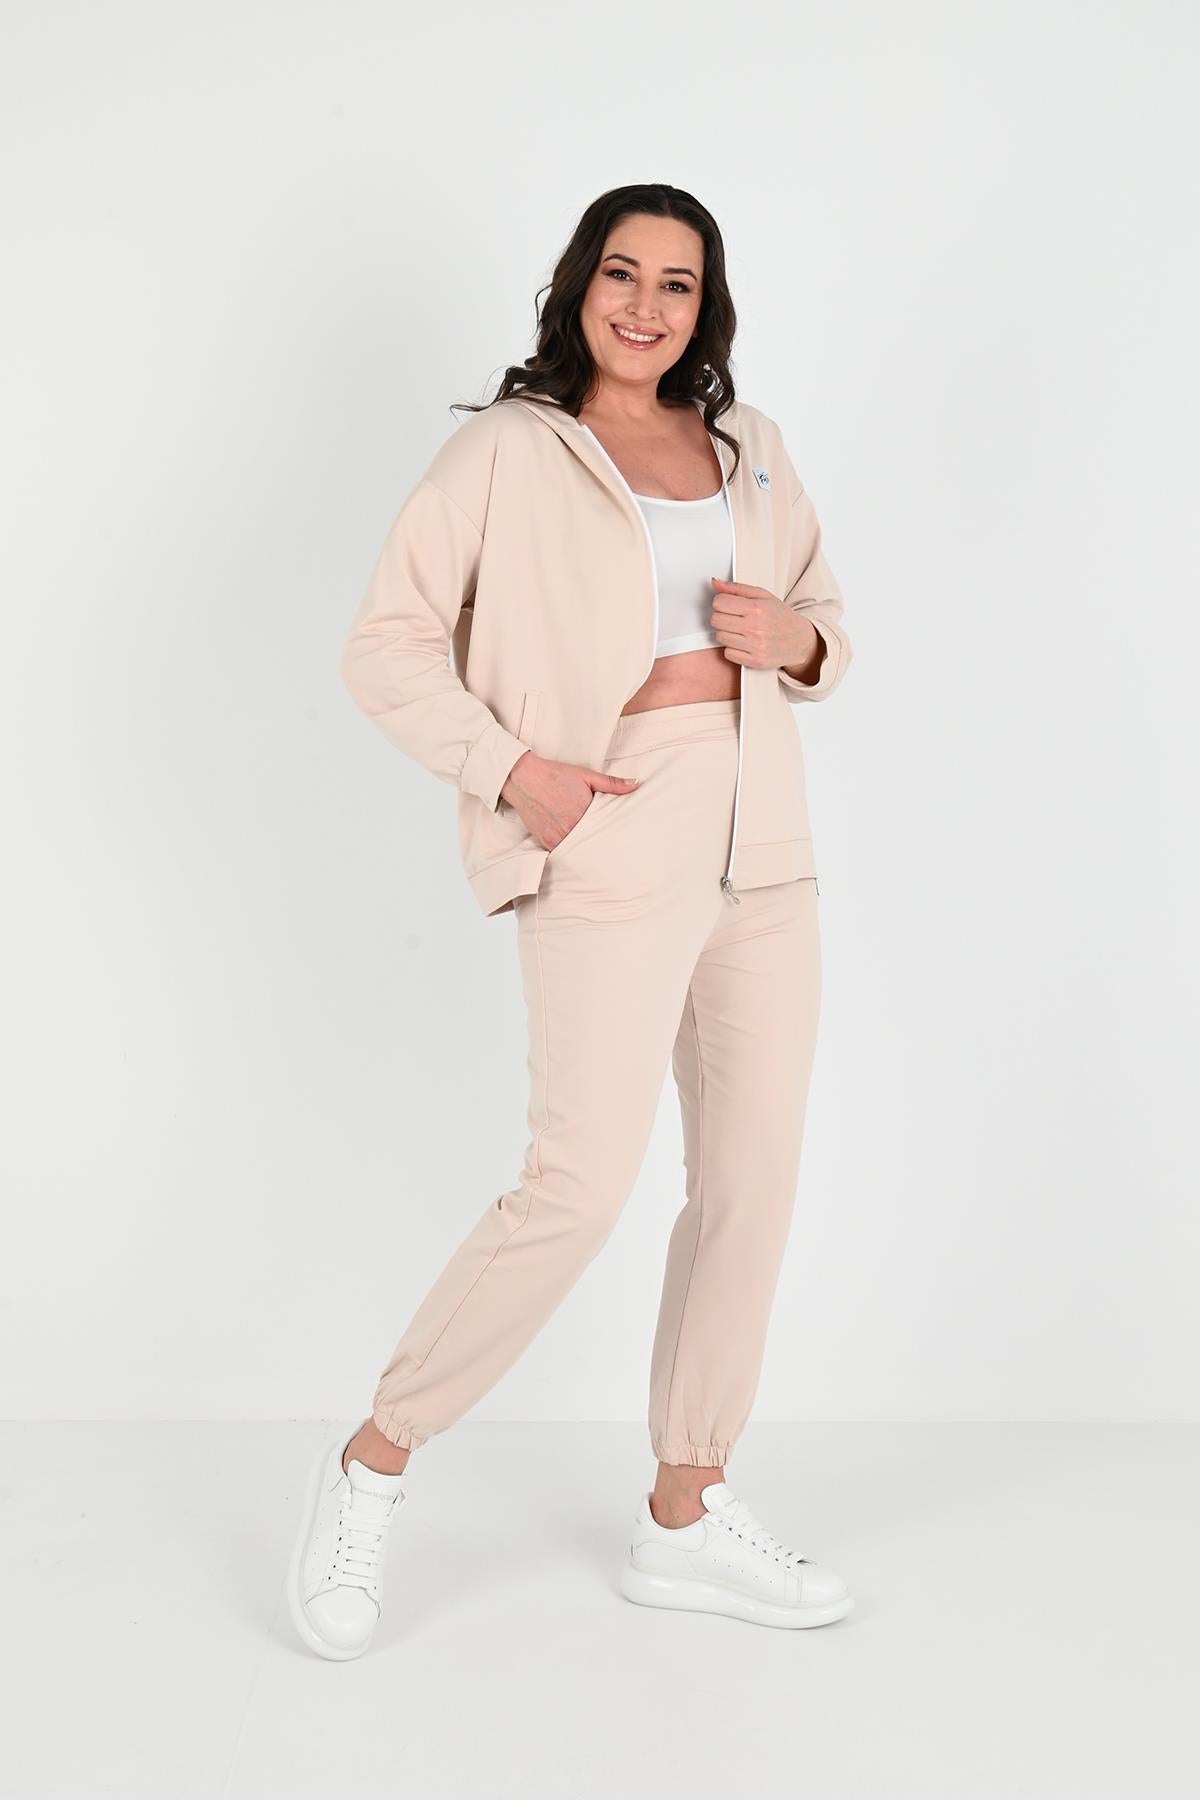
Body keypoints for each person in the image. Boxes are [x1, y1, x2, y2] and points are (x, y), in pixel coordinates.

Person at [288, 183, 855, 1660]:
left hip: (764, 835)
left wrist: (798, 640)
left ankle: (685, 1507)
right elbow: (385, 644)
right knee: (578, 1185)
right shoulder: (506, 450)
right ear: (579, 286)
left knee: (749, 1183)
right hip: (609, 819)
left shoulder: (751, 447)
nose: (646, 305)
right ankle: (374, 1461)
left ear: (706, 307)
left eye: (678, 282)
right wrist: (511, 771)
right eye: (623, 272)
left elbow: (825, 622)